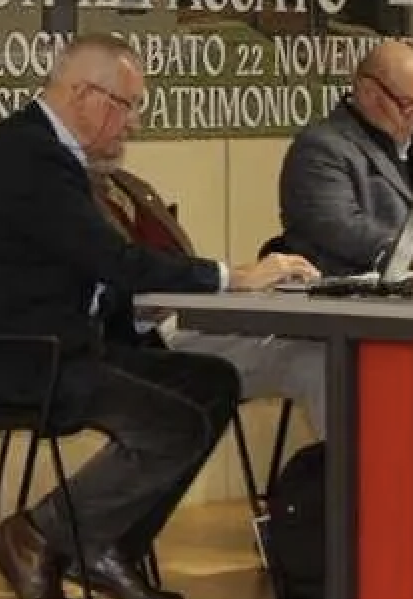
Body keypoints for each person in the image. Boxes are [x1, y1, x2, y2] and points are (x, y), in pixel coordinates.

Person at [0, 34, 314, 599]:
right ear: (83, 93)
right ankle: (36, 534)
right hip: (18, 357)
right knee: (174, 423)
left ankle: (109, 547)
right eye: (127, 105)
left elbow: (81, 269)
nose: (133, 123)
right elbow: (114, 260)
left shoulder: (52, 155)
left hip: (62, 344)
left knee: (212, 382)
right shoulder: (28, 158)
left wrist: (138, 311)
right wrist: (231, 277)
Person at [92, 151, 331, 441]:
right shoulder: (69, 197)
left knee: (317, 357)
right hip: (138, 341)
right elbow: (122, 277)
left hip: (186, 321)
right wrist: (233, 279)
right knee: (313, 356)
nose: (129, 128)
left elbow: (181, 264)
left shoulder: (132, 186)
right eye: (118, 116)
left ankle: (352, 468)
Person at [277, 39, 413, 277]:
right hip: (361, 286)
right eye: (408, 105)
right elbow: (347, 233)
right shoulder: (320, 149)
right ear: (368, 93)